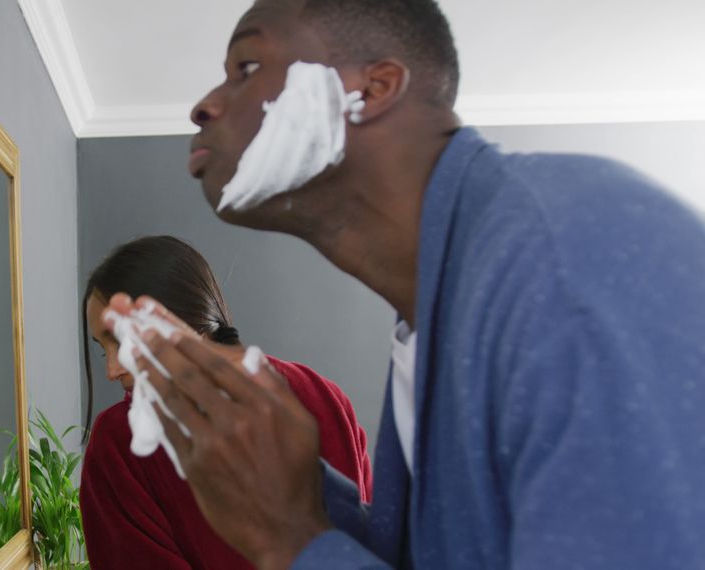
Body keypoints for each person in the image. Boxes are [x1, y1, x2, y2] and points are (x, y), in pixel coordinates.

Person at [103, 0, 705, 568]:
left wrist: (288, 534)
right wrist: (300, 486)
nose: (203, 104)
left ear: (369, 90)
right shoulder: (437, 314)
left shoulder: (569, 268)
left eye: (248, 66)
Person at [79, 235, 372, 569]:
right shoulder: (324, 394)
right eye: (104, 349)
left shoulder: (122, 440)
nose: (111, 370)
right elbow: (372, 542)